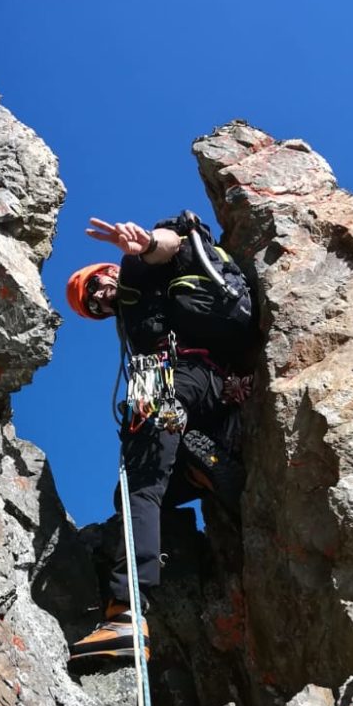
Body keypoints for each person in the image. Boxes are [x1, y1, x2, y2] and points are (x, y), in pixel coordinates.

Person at [66, 212, 256, 665]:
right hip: (197, 390)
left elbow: (166, 247)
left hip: (173, 385)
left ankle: (125, 611)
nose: (99, 296)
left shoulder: (133, 272)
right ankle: (201, 463)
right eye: (91, 303)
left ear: (107, 272)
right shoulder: (135, 318)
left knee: (139, 488)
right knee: (130, 494)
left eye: (95, 285)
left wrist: (144, 243)